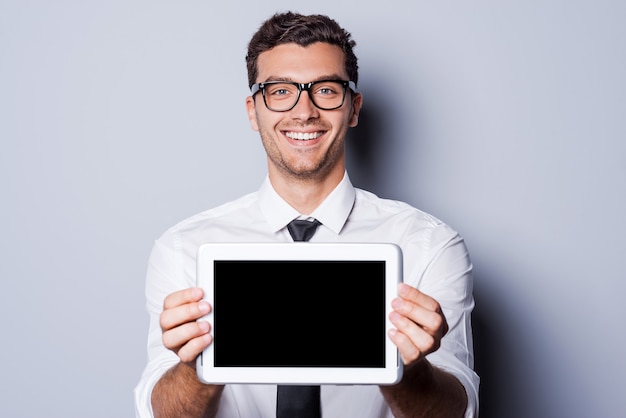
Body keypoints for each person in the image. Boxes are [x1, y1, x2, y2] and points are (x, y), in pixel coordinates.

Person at [135, 11, 479, 418]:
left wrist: (410, 370)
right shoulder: (183, 250)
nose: (304, 111)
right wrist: (195, 366)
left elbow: (456, 412)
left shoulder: (429, 247)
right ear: (253, 110)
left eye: (326, 90)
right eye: (280, 91)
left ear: (352, 108)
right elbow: (160, 413)